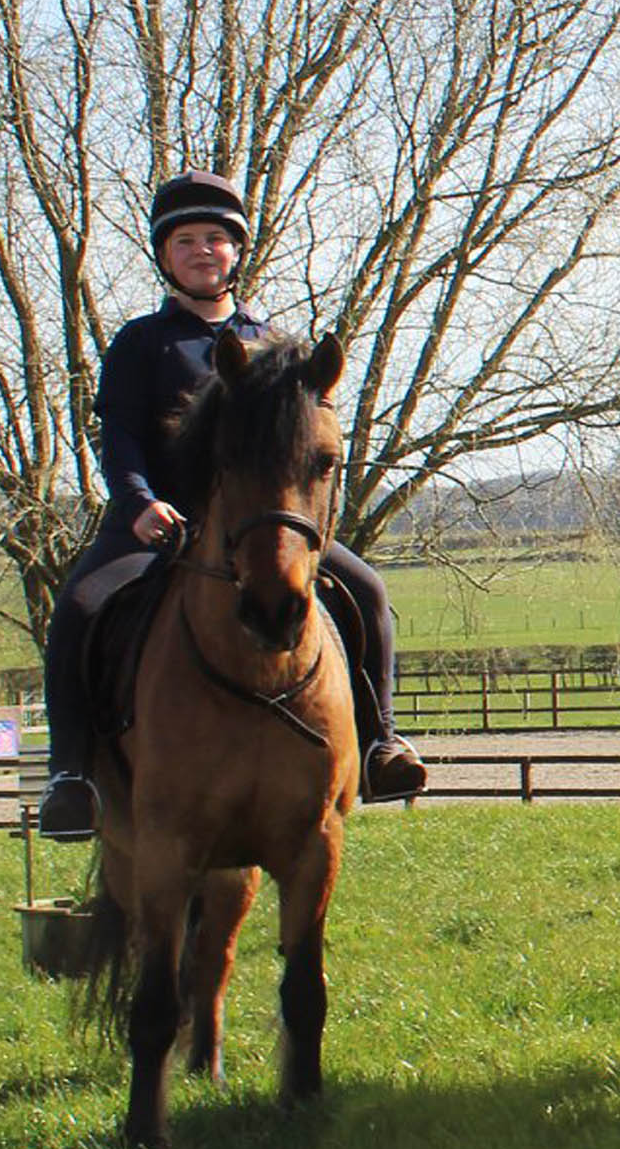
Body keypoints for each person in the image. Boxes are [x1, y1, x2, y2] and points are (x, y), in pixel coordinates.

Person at [36, 170, 428, 839]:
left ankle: (379, 742)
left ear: (235, 252)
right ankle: (71, 774)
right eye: (185, 240)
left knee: (367, 591)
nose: (201, 250)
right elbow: (121, 438)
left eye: (215, 238)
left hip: (263, 525)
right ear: (165, 254)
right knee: (78, 609)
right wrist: (139, 503)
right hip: (157, 526)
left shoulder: (272, 344)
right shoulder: (140, 343)